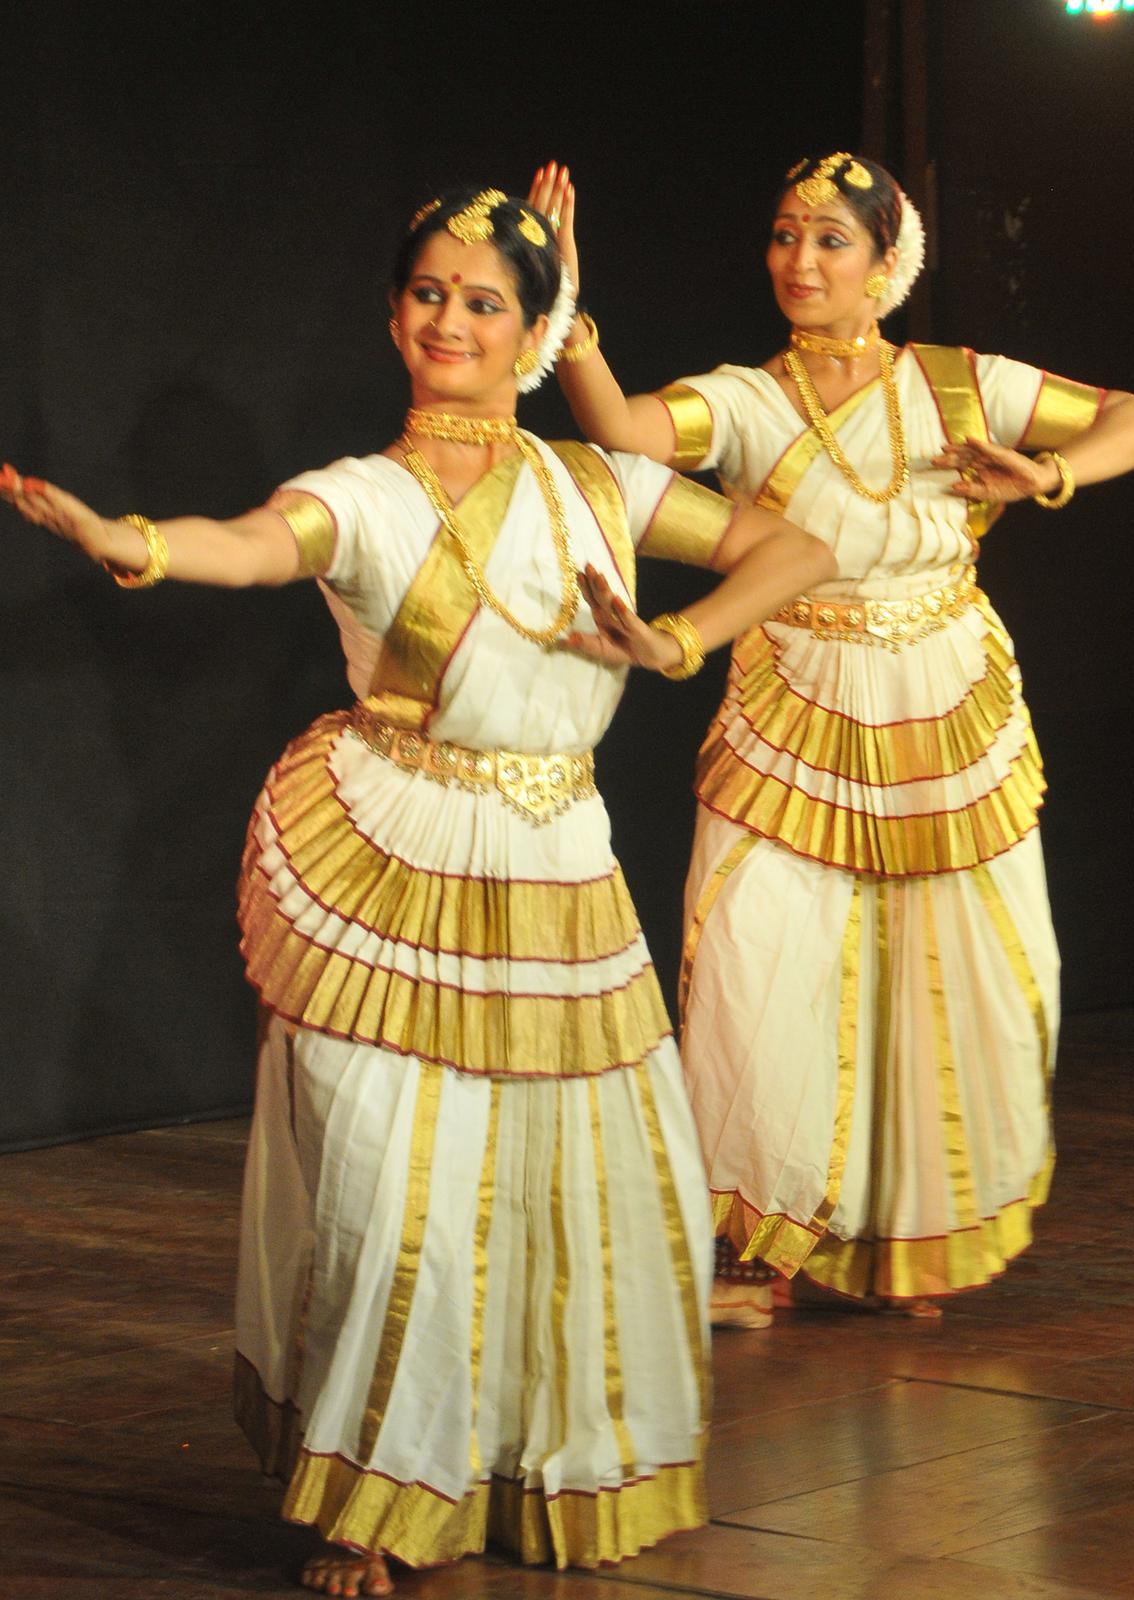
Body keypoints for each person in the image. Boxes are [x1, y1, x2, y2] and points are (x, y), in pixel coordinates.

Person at [1, 186, 837, 1594]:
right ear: (394, 316)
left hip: (558, 865)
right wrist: (127, 541)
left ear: (531, 330)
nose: (451, 319)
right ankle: (379, 1494)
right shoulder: (364, 493)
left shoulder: (598, 483)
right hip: (392, 858)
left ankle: (519, 1465)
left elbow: (799, 546)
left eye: (485, 299)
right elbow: (254, 543)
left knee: (565, 1178)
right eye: (430, 294)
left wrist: (680, 639)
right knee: (391, 1185)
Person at [531, 153, 1134, 1328]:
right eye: (785, 234)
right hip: (794, 691)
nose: (800, 261)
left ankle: (900, 1233)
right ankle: (759, 1235)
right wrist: (566, 310)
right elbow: (621, 427)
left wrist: (1050, 476)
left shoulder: (960, 383)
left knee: (943, 965)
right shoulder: (744, 397)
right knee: (758, 960)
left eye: (831, 240)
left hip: (946, 694)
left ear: (888, 263)